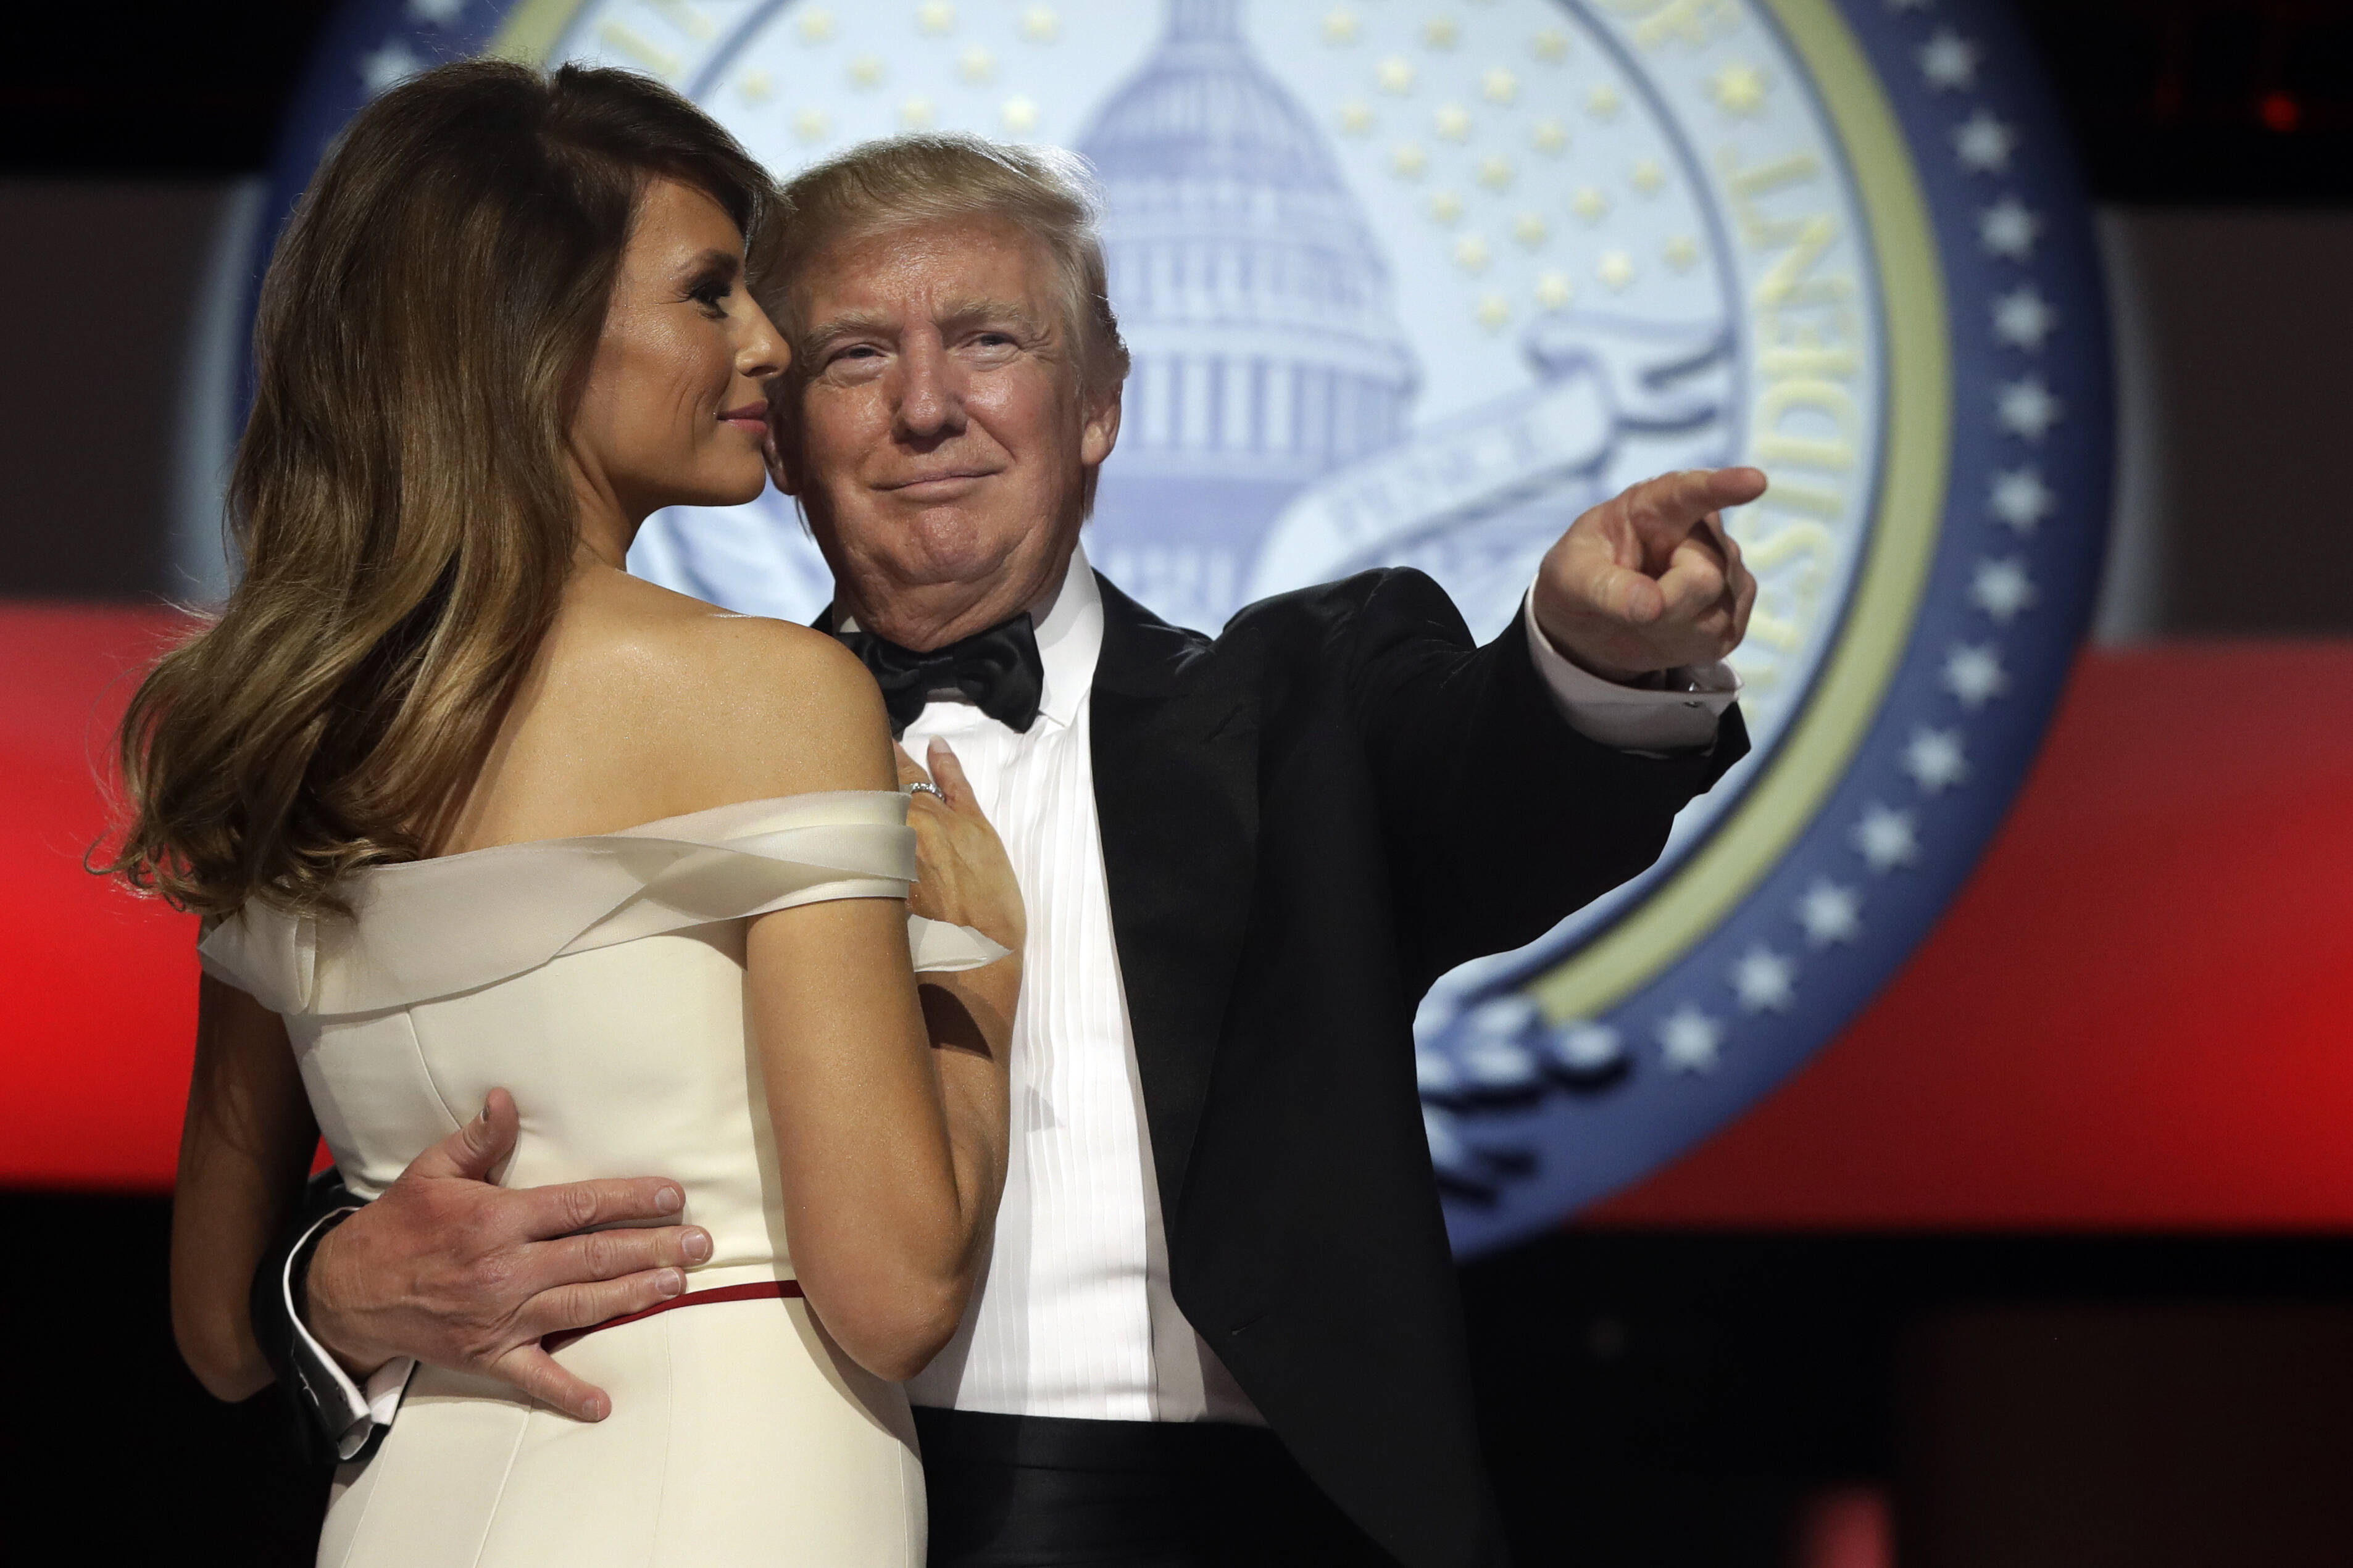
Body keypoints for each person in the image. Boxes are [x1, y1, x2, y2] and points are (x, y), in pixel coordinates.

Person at [262, 134, 1764, 1567]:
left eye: (988, 341)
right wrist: (327, 1279)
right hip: (816, 1493)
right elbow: (449, 1093)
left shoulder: (1303, 702)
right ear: (772, 424)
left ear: (1099, 400)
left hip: (1260, 1514)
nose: (927, 408)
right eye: (857, 354)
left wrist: (1588, 655)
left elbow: (1499, 786)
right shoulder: (668, 748)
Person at [110, 65, 1028, 1565]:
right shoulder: (767, 693)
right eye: (709, 294)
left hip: (401, 1496)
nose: (769, 343)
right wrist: (976, 982)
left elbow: (221, 1324)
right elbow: (897, 1290)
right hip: (736, 1481)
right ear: (527, 329)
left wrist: (334, 1285)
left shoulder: (277, 721)